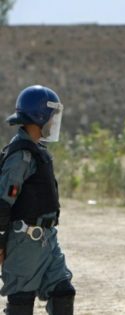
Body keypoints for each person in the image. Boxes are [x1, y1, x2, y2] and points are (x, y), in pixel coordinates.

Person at [0, 85, 75, 315]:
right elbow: (3, 203)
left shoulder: (37, 150)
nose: (54, 122)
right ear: (40, 116)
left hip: (48, 239)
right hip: (25, 241)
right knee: (21, 303)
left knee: (63, 292)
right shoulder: (20, 155)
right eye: (51, 116)